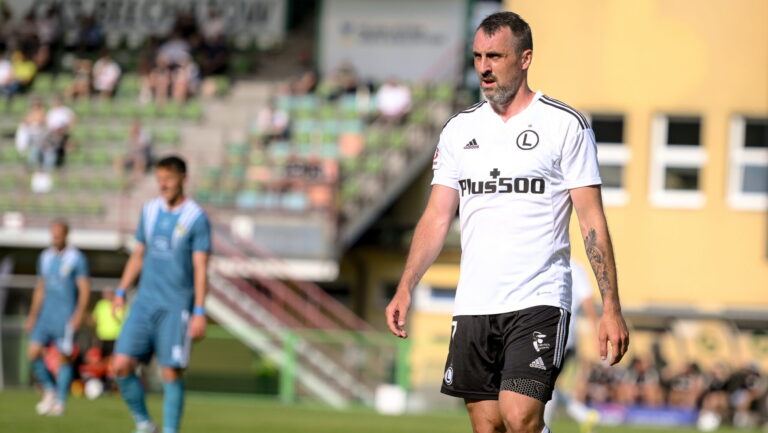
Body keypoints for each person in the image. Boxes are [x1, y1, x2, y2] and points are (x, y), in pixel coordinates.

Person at [384, 12, 629, 433]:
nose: (484, 67)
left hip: (539, 299)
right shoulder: (459, 131)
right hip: (474, 304)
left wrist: (611, 306)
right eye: (478, 56)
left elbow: (591, 220)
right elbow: (437, 215)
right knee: (488, 426)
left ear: (525, 58)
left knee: (520, 417)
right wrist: (406, 285)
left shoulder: (564, 125)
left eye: (495, 56)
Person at [112, 155, 211, 433]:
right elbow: (138, 255)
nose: (163, 184)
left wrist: (199, 311)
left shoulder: (196, 218)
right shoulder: (150, 210)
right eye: (159, 179)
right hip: (143, 303)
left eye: (168, 179)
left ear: (184, 179)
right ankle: (145, 423)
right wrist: (121, 291)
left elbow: (201, 267)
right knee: (120, 365)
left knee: (170, 372)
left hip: (176, 307)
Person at [25, 220, 91, 416]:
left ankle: (60, 402)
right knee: (33, 352)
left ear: (66, 235)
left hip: (65, 317)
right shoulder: (44, 257)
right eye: (52, 233)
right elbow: (40, 289)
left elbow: (84, 289)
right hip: (45, 316)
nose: (55, 237)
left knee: (64, 359)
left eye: (59, 233)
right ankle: (49, 389)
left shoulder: (76, 258)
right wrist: (32, 316)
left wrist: (79, 313)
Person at [543, 261, 600, 431]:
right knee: (546, 385)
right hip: (543, 335)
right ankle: (584, 414)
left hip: (563, 337)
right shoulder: (542, 261)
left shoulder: (574, 268)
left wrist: (595, 336)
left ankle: (543, 427)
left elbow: (588, 302)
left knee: (545, 385)